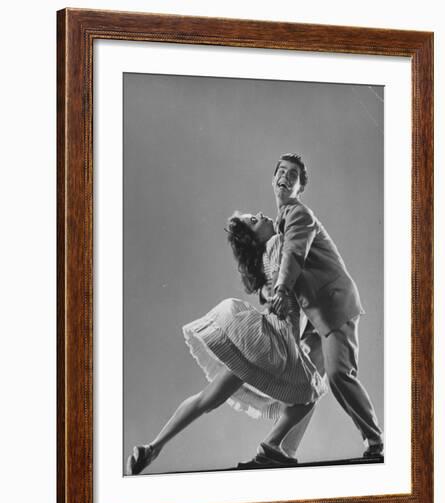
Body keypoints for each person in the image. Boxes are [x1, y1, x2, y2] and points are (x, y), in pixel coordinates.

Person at [126, 212, 327, 475]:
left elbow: (282, 287)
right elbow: (291, 278)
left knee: (208, 399)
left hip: (260, 341)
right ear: (255, 238)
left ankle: (153, 447)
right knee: (310, 393)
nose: (261, 215)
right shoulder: (277, 243)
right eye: (254, 221)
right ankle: (272, 446)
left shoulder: (266, 258)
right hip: (276, 342)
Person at [268, 152, 383, 458]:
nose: (285, 177)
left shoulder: (298, 214)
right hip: (317, 319)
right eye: (281, 171)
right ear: (273, 179)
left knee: (339, 376)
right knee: (302, 384)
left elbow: (295, 254)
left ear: (299, 188)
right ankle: (282, 450)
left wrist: (280, 287)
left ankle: (375, 442)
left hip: (335, 308)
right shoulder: (282, 222)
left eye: (293, 175)